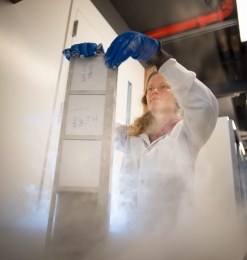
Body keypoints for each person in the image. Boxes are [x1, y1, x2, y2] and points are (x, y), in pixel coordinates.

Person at [63, 31, 219, 239]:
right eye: (151, 88)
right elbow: (85, 122)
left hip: (173, 245)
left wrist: (159, 57)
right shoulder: (130, 136)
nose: (155, 91)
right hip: (129, 241)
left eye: (164, 87)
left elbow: (206, 105)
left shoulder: (188, 134)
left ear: (178, 98)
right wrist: (88, 73)